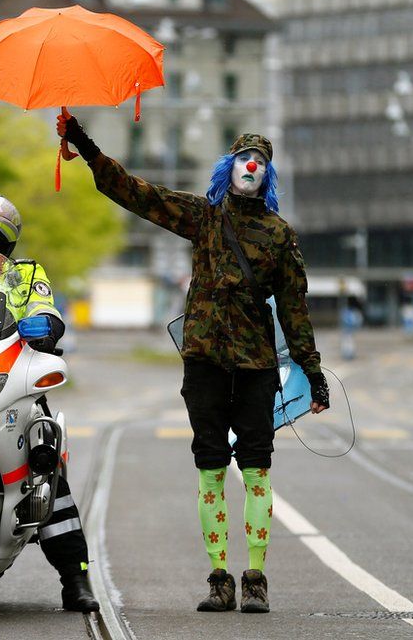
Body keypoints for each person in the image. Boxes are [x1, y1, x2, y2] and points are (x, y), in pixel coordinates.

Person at [57, 111, 329, 613]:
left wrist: (313, 374)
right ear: (228, 167)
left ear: (268, 175)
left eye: (261, 161)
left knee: (256, 470)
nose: (252, 165)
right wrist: (85, 146)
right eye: (244, 158)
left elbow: (295, 311)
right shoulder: (204, 217)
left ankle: (255, 580)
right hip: (203, 361)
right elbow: (137, 194)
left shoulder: (279, 235)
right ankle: (219, 579)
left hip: (255, 368)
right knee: (209, 469)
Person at [0, 192, 98, 613]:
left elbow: (46, 310)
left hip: (10, 390)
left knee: (45, 467)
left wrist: (47, 329)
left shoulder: (25, 276)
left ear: (6, 246)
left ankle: (75, 578)